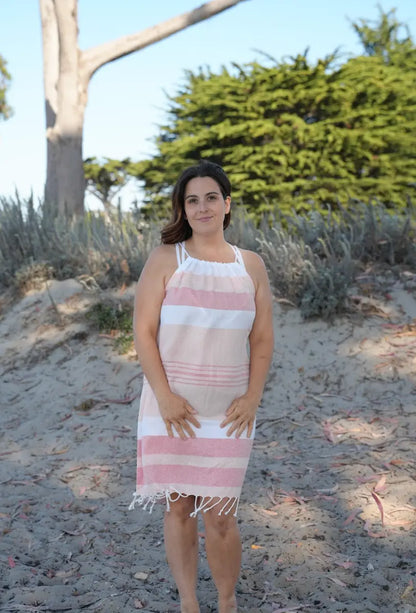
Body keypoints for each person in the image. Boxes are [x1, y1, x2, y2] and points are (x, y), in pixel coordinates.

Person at [129, 160, 274, 613]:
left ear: (227, 204)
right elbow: (143, 332)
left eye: (212, 197)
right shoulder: (165, 259)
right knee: (178, 509)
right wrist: (166, 397)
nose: (202, 206)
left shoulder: (250, 265)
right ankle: (189, 603)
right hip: (172, 409)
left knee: (222, 517)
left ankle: (227, 604)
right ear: (183, 209)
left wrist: (252, 399)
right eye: (192, 200)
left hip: (229, 415)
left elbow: (263, 339)